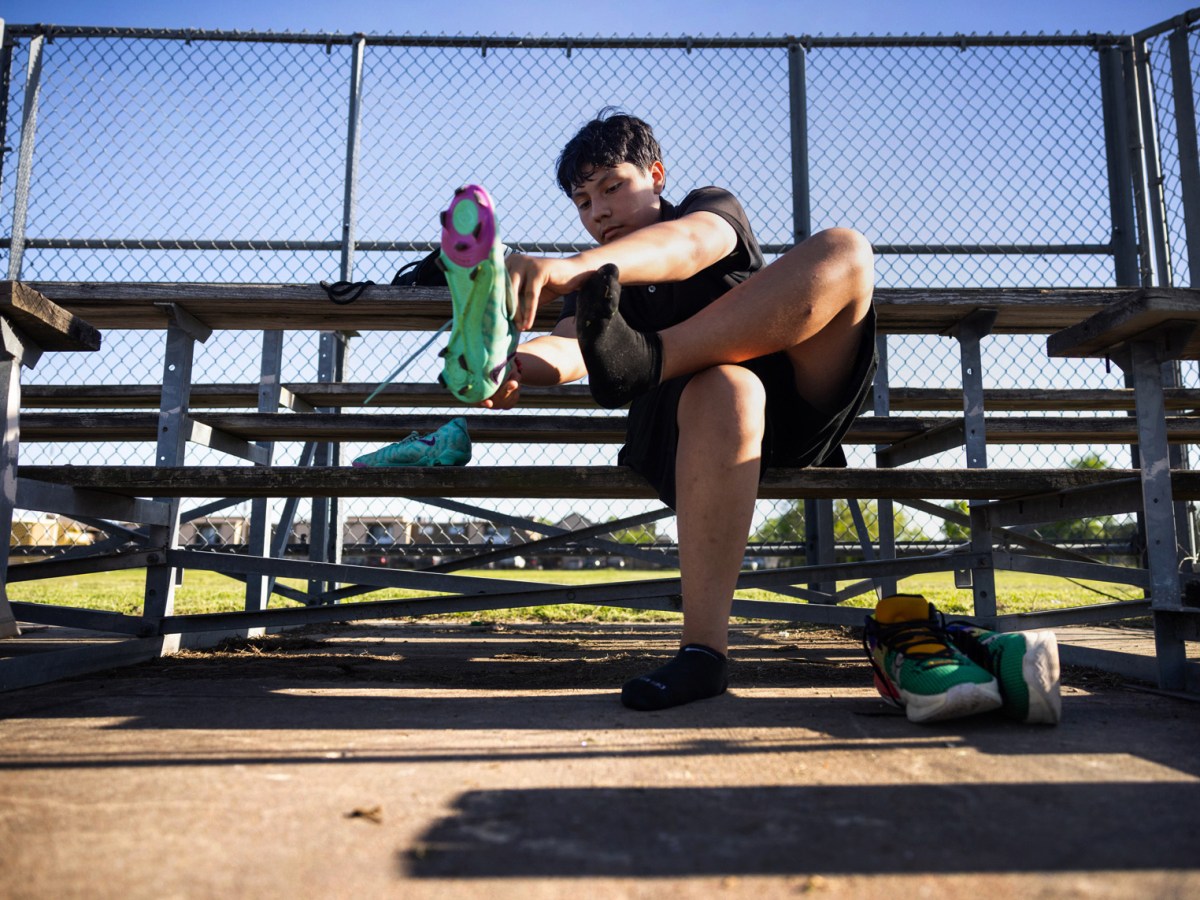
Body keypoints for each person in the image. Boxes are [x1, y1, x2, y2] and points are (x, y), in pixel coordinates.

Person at [489, 109, 878, 710]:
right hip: (692, 430)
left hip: (797, 409)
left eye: (613, 187)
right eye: (583, 201)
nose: (599, 212)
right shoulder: (598, 289)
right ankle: (703, 654)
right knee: (727, 385)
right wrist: (511, 366)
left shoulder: (707, 209)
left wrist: (570, 267)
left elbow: (691, 245)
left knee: (846, 250)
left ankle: (653, 356)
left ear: (657, 175)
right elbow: (568, 346)